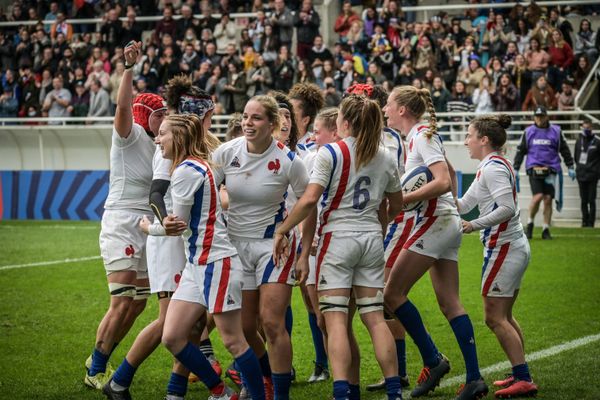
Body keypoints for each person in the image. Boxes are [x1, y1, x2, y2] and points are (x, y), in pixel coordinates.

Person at [273, 93, 405, 400]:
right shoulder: (385, 155)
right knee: (374, 317)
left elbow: (309, 200)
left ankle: (342, 391)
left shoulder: (331, 152)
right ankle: (395, 390)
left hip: (338, 239)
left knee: (334, 321)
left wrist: (283, 229)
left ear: (344, 122)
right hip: (371, 238)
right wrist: (380, 223)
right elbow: (396, 204)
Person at [102, 73, 221, 400]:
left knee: (194, 324)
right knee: (171, 321)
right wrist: (160, 227)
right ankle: (119, 380)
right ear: (201, 117)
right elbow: (156, 195)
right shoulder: (170, 149)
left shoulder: (199, 147)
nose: (213, 120)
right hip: (169, 244)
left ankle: (175, 392)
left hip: (185, 241)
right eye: (210, 116)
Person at [382, 86, 488, 400]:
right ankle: (474, 378)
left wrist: (402, 200)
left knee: (391, 294)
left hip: (434, 222)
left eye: (388, 104)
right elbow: (451, 172)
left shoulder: (421, 136)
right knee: (449, 302)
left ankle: (433, 359)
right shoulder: (419, 136)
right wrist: (452, 207)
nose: (385, 109)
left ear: (402, 109)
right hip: (445, 222)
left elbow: (442, 180)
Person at [152, 113, 265, 400]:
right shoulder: (198, 165)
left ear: (177, 137)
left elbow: (177, 226)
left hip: (216, 262)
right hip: (197, 263)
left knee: (234, 341)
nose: (157, 139)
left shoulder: (185, 171)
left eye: (162, 133)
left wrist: (150, 227)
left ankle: (260, 394)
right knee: (172, 336)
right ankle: (222, 392)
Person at [211, 95, 310, 400]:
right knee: (244, 326)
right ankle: (265, 376)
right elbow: (208, 191)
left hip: (273, 245)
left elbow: (309, 202)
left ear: (272, 124)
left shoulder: (289, 160)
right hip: (235, 247)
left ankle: (280, 394)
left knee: (271, 322)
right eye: (245, 117)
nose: (248, 123)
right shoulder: (226, 152)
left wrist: (302, 249)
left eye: (256, 118)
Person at [84, 41, 167, 391]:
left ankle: (101, 355)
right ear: (143, 113)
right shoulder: (128, 134)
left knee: (137, 304)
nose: (164, 116)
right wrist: (129, 68)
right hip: (121, 220)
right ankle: (95, 369)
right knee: (121, 300)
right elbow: (122, 107)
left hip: (147, 225)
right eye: (158, 112)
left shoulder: (161, 141)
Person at [459, 114, 539, 399]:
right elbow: (465, 203)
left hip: (504, 248)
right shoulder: (490, 166)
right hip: (511, 246)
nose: (466, 140)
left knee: (494, 317)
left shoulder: (492, 168)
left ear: (484, 140)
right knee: (504, 314)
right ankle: (520, 372)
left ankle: (523, 377)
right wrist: (437, 199)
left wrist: (473, 224)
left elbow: (506, 208)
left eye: (469, 135)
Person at [513, 106, 575, 240]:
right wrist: (516, 168)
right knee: (538, 196)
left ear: (547, 116)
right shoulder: (528, 132)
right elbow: (521, 150)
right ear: (534, 117)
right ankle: (529, 224)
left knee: (548, 200)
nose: (539, 119)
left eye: (542, 116)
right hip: (534, 169)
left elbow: (564, 149)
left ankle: (546, 229)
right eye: (537, 116)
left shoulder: (556, 131)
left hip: (551, 170)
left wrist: (570, 165)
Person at [574, 119, 599, 227]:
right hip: (581, 175)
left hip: (593, 175)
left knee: (591, 200)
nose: (586, 130)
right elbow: (576, 157)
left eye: (588, 128)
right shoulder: (579, 141)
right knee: (583, 200)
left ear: (591, 128)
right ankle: (584, 221)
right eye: (584, 128)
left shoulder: (597, 142)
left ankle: (591, 222)